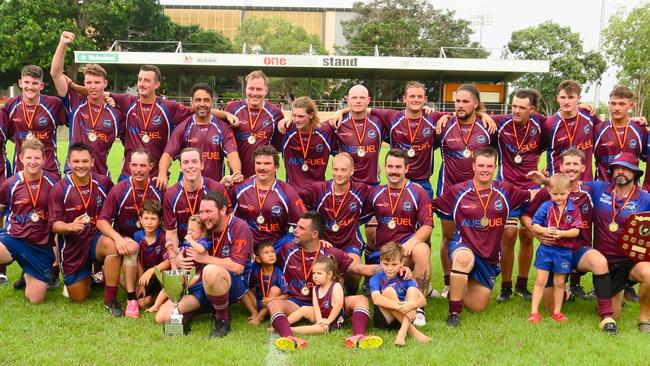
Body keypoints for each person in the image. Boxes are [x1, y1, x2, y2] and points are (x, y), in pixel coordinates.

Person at [523, 148, 619, 333]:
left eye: (576, 164)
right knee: (549, 307)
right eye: (568, 163)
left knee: (599, 262)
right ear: (560, 166)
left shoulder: (591, 190)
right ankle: (563, 292)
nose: (571, 168)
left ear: (583, 167)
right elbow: (527, 217)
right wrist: (539, 234)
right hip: (553, 250)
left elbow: (616, 186)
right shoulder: (549, 192)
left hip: (578, 250)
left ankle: (606, 315)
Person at [433, 147, 531, 327]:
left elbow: (532, 197)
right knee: (462, 259)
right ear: (473, 166)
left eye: (489, 166)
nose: (485, 169)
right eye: (481, 165)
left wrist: (547, 182)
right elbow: (430, 205)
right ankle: (454, 313)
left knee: (478, 306)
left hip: (489, 258)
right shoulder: (458, 192)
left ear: (495, 167)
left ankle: (460, 282)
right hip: (464, 246)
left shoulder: (505, 191)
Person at [267, 212, 383, 350]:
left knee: (361, 300)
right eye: (296, 227)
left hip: (329, 303)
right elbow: (268, 266)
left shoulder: (331, 252)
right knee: (274, 305)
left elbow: (359, 269)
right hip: (298, 304)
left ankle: (359, 337)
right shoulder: (287, 249)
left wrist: (396, 268)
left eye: (301, 228)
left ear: (314, 234)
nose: (295, 231)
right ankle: (289, 337)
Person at [156, 191, 254, 338]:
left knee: (211, 271)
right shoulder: (204, 227)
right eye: (201, 212)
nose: (204, 216)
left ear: (223, 210)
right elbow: (183, 248)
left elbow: (237, 267)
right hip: (201, 283)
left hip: (232, 282)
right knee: (162, 317)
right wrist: (178, 260)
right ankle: (205, 308)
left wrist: (205, 259)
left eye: (209, 211)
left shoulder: (239, 227)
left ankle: (222, 319)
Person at [570, 153, 650, 332]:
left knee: (649, 274)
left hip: (630, 262)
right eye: (617, 168)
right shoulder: (598, 189)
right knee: (612, 314)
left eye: (626, 169)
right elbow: (571, 184)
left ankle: (645, 319)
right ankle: (615, 293)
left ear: (636, 173)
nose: (620, 172)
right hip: (604, 265)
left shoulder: (645, 199)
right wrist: (545, 180)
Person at [435, 84, 496, 298]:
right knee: (448, 236)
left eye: (465, 101)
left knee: (477, 234)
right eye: (457, 102)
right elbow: (419, 111)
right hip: (448, 190)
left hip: (477, 193)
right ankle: (448, 281)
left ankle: (475, 277)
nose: (460, 106)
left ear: (476, 103)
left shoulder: (488, 127)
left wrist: (483, 115)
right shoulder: (443, 125)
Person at [369, 148, 433, 326]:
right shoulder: (376, 193)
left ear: (406, 168)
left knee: (422, 249)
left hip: (406, 254)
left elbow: (428, 225)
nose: (394, 171)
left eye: (398, 167)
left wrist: (411, 242)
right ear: (384, 167)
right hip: (383, 255)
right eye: (390, 166)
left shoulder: (418, 192)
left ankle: (418, 307)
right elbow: (359, 218)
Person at [96, 148, 163, 316]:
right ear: (129, 166)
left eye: (143, 165)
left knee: (146, 301)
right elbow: (102, 221)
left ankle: (118, 278)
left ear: (151, 167)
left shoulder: (159, 190)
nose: (138, 170)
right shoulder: (120, 189)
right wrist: (118, 239)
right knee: (131, 246)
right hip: (128, 244)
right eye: (134, 165)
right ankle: (131, 298)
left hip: (152, 246)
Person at [50, 31, 125, 177]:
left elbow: (132, 143)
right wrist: (63, 44)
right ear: (84, 83)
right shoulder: (75, 103)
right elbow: (55, 74)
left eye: (97, 82)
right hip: (73, 174)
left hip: (101, 177)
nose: (93, 86)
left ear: (105, 83)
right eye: (89, 83)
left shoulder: (116, 113)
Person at [49, 143, 114, 303]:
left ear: (92, 161)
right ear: (69, 163)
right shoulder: (60, 189)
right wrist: (70, 226)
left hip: (95, 239)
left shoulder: (104, 183)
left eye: (85, 161)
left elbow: (116, 203)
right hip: (73, 247)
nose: (80, 165)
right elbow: (54, 225)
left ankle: (111, 299)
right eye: (76, 161)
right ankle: (89, 278)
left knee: (112, 246)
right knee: (80, 298)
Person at [300, 153, 372, 293]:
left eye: (343, 170)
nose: (339, 174)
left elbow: (381, 197)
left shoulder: (361, 190)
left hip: (350, 243)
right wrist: (317, 238)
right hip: (326, 242)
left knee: (354, 272)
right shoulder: (319, 189)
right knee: (324, 273)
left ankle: (348, 292)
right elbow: (294, 198)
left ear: (352, 171)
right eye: (336, 169)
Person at [0, 139, 57, 304]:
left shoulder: (53, 182)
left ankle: (28, 271)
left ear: (44, 159)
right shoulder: (10, 184)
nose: (33, 162)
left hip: (40, 247)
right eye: (29, 157)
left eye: (37, 158)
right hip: (14, 239)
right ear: (21, 158)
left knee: (36, 299)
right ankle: (20, 260)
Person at [159, 83, 242, 183]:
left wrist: (236, 173)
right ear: (191, 102)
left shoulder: (222, 127)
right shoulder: (183, 128)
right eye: (198, 100)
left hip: (214, 190)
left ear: (212, 102)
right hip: (188, 189)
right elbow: (167, 155)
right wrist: (162, 174)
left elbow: (232, 154)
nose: (202, 104)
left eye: (206, 100)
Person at [528, 174, 582, 323]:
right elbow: (534, 225)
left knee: (559, 282)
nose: (559, 197)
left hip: (564, 252)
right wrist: (544, 230)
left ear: (569, 191)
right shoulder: (545, 206)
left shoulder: (573, 209)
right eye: (555, 194)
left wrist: (562, 233)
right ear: (549, 192)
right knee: (540, 280)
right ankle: (534, 312)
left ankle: (557, 312)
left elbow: (576, 230)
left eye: (562, 194)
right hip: (546, 249)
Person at [232, 146, 306, 251]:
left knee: (298, 241)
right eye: (258, 163)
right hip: (247, 245)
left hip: (276, 246)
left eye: (267, 164)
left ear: (276, 167)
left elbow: (305, 223)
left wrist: (317, 241)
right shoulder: (240, 188)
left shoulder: (287, 191)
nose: (262, 167)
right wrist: (223, 184)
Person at [1, 65, 67, 179]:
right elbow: (7, 134)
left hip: (49, 171)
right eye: (27, 82)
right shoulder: (11, 106)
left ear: (41, 85)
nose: (30, 87)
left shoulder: (54, 104)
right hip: (21, 172)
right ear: (20, 83)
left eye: (35, 83)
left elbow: (74, 120)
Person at [162, 147, 229, 247]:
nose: (190, 166)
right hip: (184, 249)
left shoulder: (216, 188)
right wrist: (175, 259)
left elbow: (228, 224)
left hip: (213, 248)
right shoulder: (171, 194)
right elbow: (171, 233)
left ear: (201, 165)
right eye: (186, 162)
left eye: (194, 161)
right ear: (180, 167)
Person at [369, 242, 430, 346]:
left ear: (402, 262)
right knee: (389, 291)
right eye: (385, 264)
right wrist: (400, 307)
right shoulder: (376, 278)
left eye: (394, 264)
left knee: (413, 290)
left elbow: (423, 301)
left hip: (403, 319)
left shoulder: (405, 277)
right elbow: (377, 299)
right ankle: (415, 333)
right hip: (385, 319)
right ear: (380, 262)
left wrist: (410, 305)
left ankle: (402, 332)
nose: (389, 268)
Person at [226, 70, 284, 179]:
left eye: (259, 89)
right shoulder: (232, 109)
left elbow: (278, 148)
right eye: (251, 88)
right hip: (238, 177)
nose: (254, 93)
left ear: (266, 90)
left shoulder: (276, 113)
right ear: (246, 89)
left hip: (265, 178)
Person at [149, 215, 211, 311]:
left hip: (197, 275)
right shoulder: (187, 243)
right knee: (168, 287)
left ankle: (174, 306)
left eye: (193, 230)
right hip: (185, 272)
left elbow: (201, 250)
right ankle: (156, 306)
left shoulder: (203, 241)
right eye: (188, 229)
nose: (189, 232)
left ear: (203, 232)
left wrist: (190, 240)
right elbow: (180, 251)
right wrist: (172, 247)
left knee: (178, 287)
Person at [279, 255, 345, 341]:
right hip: (321, 316)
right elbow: (316, 306)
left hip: (333, 320)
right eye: (314, 273)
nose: (315, 276)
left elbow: (338, 306)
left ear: (329, 274)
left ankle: (290, 330)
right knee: (305, 309)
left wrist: (328, 321)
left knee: (322, 328)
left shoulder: (336, 286)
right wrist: (319, 320)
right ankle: (282, 325)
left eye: (319, 273)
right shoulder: (315, 288)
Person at [279, 97, 335, 195]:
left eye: (301, 116)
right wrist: (281, 121)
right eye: (294, 115)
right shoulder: (286, 130)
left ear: (311, 115)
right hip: (293, 195)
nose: (296, 120)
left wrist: (342, 111)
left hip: (318, 195)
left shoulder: (326, 132)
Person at [594, 86, 647, 182]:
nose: (617, 108)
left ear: (631, 105)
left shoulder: (640, 130)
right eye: (613, 103)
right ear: (609, 104)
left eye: (622, 104)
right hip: (603, 189)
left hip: (631, 190)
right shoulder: (598, 129)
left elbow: (646, 159)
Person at [131, 200, 168, 311]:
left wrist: (152, 270)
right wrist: (141, 282)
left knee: (145, 302)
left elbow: (170, 261)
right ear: (140, 220)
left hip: (158, 273)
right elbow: (136, 260)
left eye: (153, 219)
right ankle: (139, 290)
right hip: (143, 275)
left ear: (160, 220)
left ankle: (162, 297)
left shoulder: (163, 236)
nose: (149, 222)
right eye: (146, 218)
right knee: (142, 303)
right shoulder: (137, 236)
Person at [244, 240, 289, 325]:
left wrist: (271, 300)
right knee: (243, 290)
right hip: (258, 302)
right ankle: (254, 313)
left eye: (273, 252)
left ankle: (260, 317)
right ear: (258, 259)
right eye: (266, 253)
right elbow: (250, 287)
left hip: (272, 304)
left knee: (275, 289)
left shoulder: (278, 273)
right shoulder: (256, 271)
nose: (271, 254)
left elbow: (286, 295)